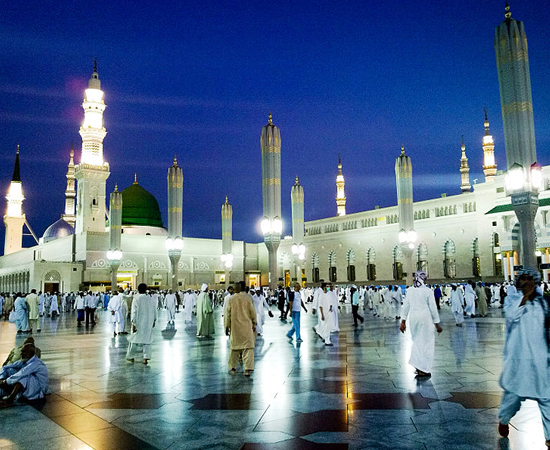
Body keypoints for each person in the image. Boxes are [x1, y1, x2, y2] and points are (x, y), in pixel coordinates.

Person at [497, 268, 550, 448]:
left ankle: (549, 437)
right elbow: (512, 316)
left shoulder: (543, 303)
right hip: (518, 360)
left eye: (530, 280)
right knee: (512, 397)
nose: (527, 283)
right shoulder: (512, 300)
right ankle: (504, 420)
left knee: (547, 398)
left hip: (540, 359)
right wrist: (525, 298)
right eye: (524, 280)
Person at [400, 271, 442, 377]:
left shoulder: (409, 291)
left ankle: (418, 366)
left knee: (417, 341)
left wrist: (403, 321)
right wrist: (437, 323)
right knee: (426, 342)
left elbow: (406, 307)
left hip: (413, 317)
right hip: (425, 317)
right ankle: (423, 368)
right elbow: (433, 308)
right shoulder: (427, 291)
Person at [0, 343, 48, 407]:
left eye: (24, 352)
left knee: (24, 376)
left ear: (31, 353)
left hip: (38, 390)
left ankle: (10, 399)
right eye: (22, 351)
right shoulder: (24, 360)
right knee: (10, 370)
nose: (21, 354)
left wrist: (5, 382)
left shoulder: (36, 363)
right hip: (28, 386)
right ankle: (4, 390)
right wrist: (2, 378)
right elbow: (5, 367)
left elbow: (23, 373)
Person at [224, 281, 256, 376]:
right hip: (247, 326)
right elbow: (252, 312)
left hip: (235, 327)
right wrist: (254, 323)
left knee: (234, 348)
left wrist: (226, 326)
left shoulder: (231, 299)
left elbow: (227, 315)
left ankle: (233, 367)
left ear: (235, 289)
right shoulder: (248, 298)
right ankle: (247, 369)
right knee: (248, 348)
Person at [126, 283, 157, 364]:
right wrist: (154, 320)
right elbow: (155, 310)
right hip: (148, 323)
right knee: (147, 340)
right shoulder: (150, 299)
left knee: (135, 340)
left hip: (139, 323)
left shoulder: (136, 299)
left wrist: (134, 323)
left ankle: (130, 356)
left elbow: (134, 312)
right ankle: (146, 358)